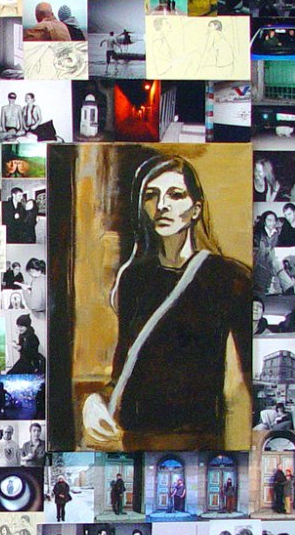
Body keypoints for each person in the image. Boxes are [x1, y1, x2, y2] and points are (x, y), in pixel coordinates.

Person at [82, 154, 251, 450]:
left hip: (198, 440)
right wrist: (94, 401)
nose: (162, 205)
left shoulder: (228, 278)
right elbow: (124, 370)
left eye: (175, 194)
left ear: (196, 209)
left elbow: (246, 381)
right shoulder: (134, 278)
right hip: (134, 438)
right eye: (151, 195)